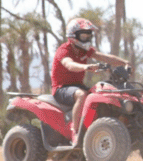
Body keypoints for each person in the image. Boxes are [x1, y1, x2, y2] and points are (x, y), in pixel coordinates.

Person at [51, 18, 130, 147]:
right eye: (83, 35)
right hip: (61, 88)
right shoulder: (64, 50)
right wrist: (86, 67)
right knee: (81, 95)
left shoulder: (85, 50)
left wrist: (124, 62)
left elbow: (104, 57)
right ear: (73, 36)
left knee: (100, 92)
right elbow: (69, 64)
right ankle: (75, 132)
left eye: (88, 35)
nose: (86, 38)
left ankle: (93, 129)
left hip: (78, 85)